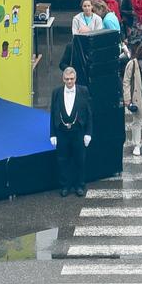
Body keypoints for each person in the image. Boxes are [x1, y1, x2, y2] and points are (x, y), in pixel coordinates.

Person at [50, 65, 92, 197]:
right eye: (67, 79)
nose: (69, 82)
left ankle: (79, 185)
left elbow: (89, 114)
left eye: (72, 79)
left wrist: (88, 133)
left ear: (75, 78)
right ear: (63, 79)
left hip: (78, 131)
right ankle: (65, 186)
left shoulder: (83, 91)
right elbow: (52, 113)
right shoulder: (56, 92)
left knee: (80, 159)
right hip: (62, 132)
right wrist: (52, 134)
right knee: (63, 159)